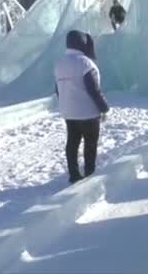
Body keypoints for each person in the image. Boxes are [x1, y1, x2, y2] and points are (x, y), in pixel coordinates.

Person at [54, 30, 110, 184]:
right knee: (90, 144)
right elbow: (94, 90)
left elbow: (58, 90)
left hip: (69, 113)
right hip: (88, 113)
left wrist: (66, 104)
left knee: (72, 143)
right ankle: (89, 173)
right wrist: (104, 108)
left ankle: (73, 174)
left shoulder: (59, 64)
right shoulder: (85, 63)